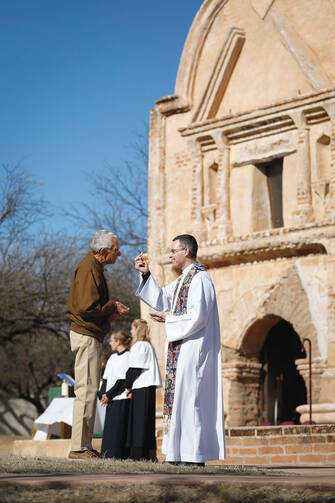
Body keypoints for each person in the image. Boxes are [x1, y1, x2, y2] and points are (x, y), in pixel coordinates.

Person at [134, 234, 225, 465]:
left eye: (173, 250)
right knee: (178, 402)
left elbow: (198, 316)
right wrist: (146, 274)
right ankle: (176, 454)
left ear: (186, 251)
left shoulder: (200, 279)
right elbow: (163, 297)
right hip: (180, 351)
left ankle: (194, 456)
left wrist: (170, 320)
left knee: (191, 401)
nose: (170, 255)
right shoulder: (184, 279)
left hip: (194, 352)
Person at [67, 229, 129, 460]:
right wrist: (111, 307)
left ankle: (83, 445)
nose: (119, 254)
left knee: (89, 388)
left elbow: (90, 306)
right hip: (86, 334)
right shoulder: (89, 268)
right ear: (103, 252)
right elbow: (85, 307)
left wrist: (108, 312)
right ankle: (78, 448)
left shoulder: (94, 268)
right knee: (87, 389)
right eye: (116, 250)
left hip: (90, 333)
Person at [125, 319, 162, 461]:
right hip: (145, 387)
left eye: (132, 328)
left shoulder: (140, 345)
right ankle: (149, 454)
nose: (130, 331)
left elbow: (135, 368)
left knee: (140, 422)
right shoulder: (147, 346)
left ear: (137, 329)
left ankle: (140, 454)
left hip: (143, 386)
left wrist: (127, 386)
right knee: (145, 422)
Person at [99, 331, 132, 459]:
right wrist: (102, 395)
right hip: (110, 399)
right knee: (109, 429)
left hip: (121, 397)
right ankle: (107, 455)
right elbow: (105, 379)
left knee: (118, 429)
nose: (110, 342)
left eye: (112, 340)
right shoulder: (112, 358)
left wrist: (109, 395)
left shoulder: (128, 356)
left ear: (118, 341)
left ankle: (118, 455)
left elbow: (122, 380)